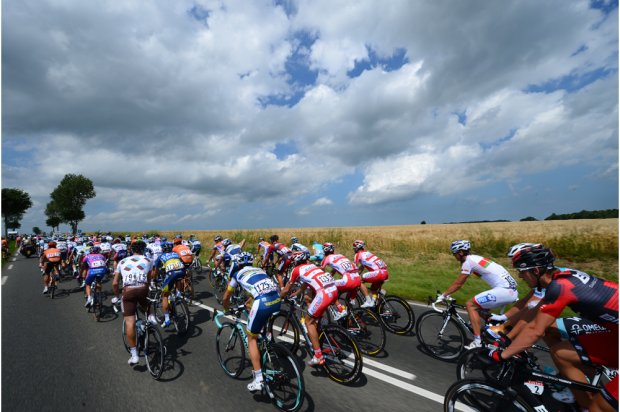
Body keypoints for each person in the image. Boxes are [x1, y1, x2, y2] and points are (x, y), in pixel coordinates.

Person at [490, 245, 618, 412]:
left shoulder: (560, 286)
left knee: (599, 408)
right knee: (561, 354)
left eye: (522, 271)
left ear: (536, 270)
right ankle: (583, 403)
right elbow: (536, 313)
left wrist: (502, 354)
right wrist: (508, 338)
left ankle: (592, 396)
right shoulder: (560, 277)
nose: (520, 276)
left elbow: (536, 330)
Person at [437, 240, 518, 349]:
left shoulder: (468, 262)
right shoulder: (474, 258)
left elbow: (458, 284)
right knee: (479, 306)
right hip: (510, 290)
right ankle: (491, 326)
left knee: (470, 305)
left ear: (460, 252)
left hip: (505, 290)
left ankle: (477, 341)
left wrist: (443, 295)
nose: (454, 256)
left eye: (454, 253)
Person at [221, 252, 281, 392]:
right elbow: (258, 290)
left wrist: (226, 309)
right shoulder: (260, 270)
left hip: (262, 302)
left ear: (238, 264)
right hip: (276, 299)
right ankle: (267, 338)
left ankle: (259, 378)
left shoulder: (237, 274)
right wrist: (248, 302)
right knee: (255, 312)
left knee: (251, 338)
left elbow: (226, 296)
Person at [280, 250, 338, 366]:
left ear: (295, 261)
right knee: (314, 315)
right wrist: (297, 292)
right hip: (334, 290)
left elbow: (286, 289)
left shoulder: (296, 270)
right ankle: (322, 331)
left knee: (308, 322)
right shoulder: (312, 265)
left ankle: (318, 356)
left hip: (323, 294)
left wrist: (277, 298)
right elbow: (307, 281)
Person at [111, 240, 155, 366]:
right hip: (143, 289)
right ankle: (151, 317)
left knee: (130, 322)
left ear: (131, 249)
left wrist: (117, 296)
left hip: (128, 292)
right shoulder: (148, 260)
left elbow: (114, 283)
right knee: (146, 301)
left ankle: (134, 355)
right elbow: (150, 277)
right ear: (143, 250)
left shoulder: (122, 261)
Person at [152, 242, 186, 327]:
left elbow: (156, 271)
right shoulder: (175, 254)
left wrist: (153, 279)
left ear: (163, 249)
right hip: (182, 271)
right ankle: (178, 294)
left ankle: (167, 319)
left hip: (172, 274)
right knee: (178, 278)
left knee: (165, 295)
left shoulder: (161, 256)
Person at [320, 242, 357, 320]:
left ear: (325, 250)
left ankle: (341, 309)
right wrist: (330, 276)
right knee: (346, 297)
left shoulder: (326, 258)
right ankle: (349, 313)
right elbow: (335, 269)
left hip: (347, 280)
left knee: (330, 288)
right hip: (356, 277)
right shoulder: (340, 255)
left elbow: (320, 273)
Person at [352, 240, 388, 308]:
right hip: (385, 273)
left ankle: (368, 301)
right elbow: (361, 268)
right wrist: (357, 274)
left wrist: (353, 277)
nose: (353, 248)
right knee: (373, 289)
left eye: (354, 247)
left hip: (378, 273)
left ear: (357, 247)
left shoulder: (357, 255)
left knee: (359, 281)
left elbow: (354, 268)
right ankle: (376, 302)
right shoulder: (368, 253)